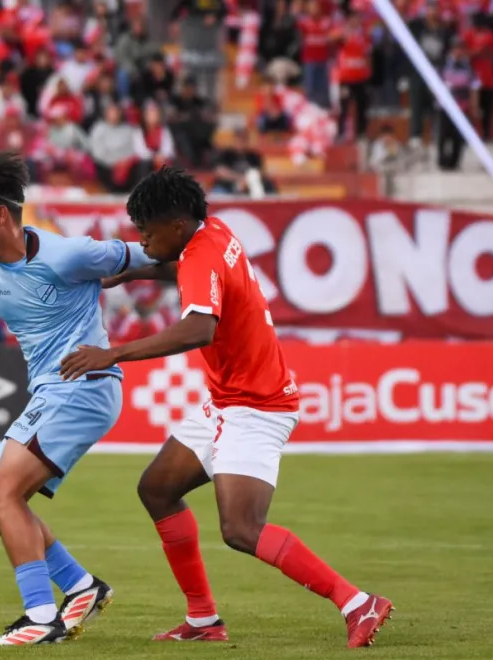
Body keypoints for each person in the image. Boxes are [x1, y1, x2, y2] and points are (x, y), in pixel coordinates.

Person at [60, 167, 393, 648]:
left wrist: (113, 354)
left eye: (147, 232)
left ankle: (357, 602)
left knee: (241, 528)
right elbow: (188, 269)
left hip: (258, 407)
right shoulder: (214, 232)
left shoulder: (200, 255)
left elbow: (199, 329)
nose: (143, 241)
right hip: (228, 401)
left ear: (176, 225)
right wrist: (134, 271)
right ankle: (203, 620)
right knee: (157, 489)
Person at [0, 151, 155, 646]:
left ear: (2, 215)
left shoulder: (69, 255)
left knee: (3, 495)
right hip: (50, 392)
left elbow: (154, 254)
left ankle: (40, 617)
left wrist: (211, 281)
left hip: (83, 386)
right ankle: (81, 586)